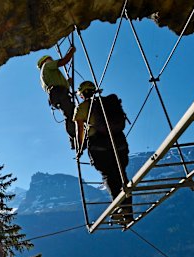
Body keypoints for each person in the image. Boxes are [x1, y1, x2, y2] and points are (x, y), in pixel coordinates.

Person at [74, 81, 133, 222]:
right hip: (119, 141)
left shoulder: (82, 107)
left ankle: (120, 206)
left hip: (98, 144)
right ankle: (128, 211)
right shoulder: (108, 103)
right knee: (121, 174)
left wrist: (79, 149)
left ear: (82, 95)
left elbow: (80, 130)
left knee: (109, 175)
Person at [38, 46, 76, 149]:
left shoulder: (44, 75)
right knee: (70, 113)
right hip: (59, 93)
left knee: (70, 113)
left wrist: (68, 83)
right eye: (50, 59)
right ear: (45, 60)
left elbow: (55, 84)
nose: (52, 60)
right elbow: (64, 61)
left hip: (56, 94)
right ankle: (74, 137)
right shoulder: (47, 65)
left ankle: (74, 138)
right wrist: (71, 51)